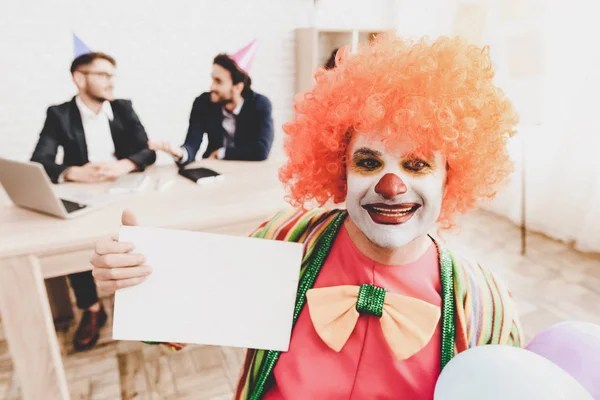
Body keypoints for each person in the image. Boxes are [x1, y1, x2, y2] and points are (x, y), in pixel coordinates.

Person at [90, 34, 522, 399]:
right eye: (369, 163)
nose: (391, 186)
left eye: (417, 165)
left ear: (451, 178)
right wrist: (137, 275)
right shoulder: (287, 239)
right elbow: (181, 317)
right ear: (340, 169)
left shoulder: (481, 301)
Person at [31, 51, 156, 351]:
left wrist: (123, 165)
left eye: (112, 75)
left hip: (125, 190)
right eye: (103, 75)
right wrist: (73, 171)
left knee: (142, 232)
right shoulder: (59, 114)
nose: (111, 82)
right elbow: (39, 161)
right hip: (86, 194)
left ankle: (145, 304)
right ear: (79, 78)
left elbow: (147, 151)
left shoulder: (123, 108)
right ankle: (91, 309)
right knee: (76, 242)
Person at [149, 43, 274, 165]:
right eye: (212, 79)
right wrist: (180, 153)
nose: (212, 87)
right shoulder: (203, 103)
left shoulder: (260, 105)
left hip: (247, 172)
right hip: (213, 168)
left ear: (237, 87)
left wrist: (221, 153)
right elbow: (192, 145)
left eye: (218, 81)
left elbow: (261, 150)